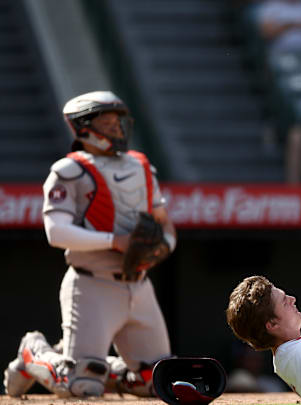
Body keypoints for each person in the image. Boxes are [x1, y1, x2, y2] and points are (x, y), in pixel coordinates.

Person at [2, 91, 176, 398]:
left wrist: (165, 245)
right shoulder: (69, 171)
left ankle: (95, 365)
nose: (116, 129)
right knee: (80, 386)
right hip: (93, 286)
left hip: (139, 285)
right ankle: (34, 352)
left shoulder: (141, 167)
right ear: (83, 128)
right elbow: (56, 232)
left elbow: (164, 221)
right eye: (107, 123)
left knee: (158, 382)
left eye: (118, 122)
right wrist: (114, 242)